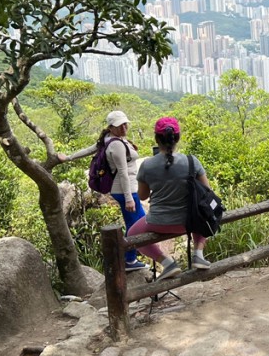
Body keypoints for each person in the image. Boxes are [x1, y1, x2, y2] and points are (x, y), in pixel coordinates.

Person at [61, 110, 147, 271]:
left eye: (124, 124)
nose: (123, 128)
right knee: (138, 224)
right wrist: (129, 198)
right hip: (125, 190)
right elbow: (122, 172)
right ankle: (129, 260)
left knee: (133, 223)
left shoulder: (108, 139)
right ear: (111, 127)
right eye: (119, 125)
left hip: (123, 190)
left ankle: (130, 259)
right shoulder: (116, 145)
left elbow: (88, 150)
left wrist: (68, 157)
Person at [129, 117, 214, 280]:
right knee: (202, 212)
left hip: (158, 223)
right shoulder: (191, 161)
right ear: (178, 137)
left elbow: (142, 196)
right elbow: (207, 191)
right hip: (188, 222)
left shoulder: (147, 165)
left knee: (132, 236)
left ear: (156, 138)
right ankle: (198, 254)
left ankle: (167, 263)